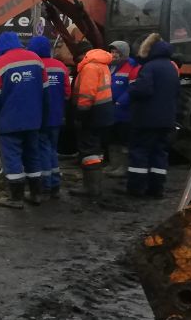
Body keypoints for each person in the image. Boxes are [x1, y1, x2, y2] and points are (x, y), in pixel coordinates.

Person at [0, 31, 45, 209]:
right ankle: (36, 194)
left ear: (0, 47)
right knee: (33, 156)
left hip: (9, 123)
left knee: (12, 159)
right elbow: (45, 91)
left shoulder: (0, 64)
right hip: (34, 121)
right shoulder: (36, 60)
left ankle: (16, 198)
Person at [127, 33, 181, 198]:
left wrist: (132, 88)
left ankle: (136, 188)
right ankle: (156, 188)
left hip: (146, 119)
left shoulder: (150, 67)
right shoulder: (172, 67)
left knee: (140, 152)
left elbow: (143, 90)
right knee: (159, 153)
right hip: (166, 120)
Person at [28, 35, 70, 199]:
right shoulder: (61, 66)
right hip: (57, 116)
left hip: (40, 117)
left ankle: (46, 184)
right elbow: (67, 93)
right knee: (52, 149)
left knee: (42, 150)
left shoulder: (35, 66)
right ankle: (55, 182)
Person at [72, 44, 115, 201]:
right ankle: (93, 186)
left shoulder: (90, 67)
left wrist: (80, 114)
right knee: (95, 150)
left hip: (92, 113)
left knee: (89, 151)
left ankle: (91, 188)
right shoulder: (102, 65)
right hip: (103, 112)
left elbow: (87, 94)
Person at [107, 40, 138, 176]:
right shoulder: (109, 66)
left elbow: (133, 88)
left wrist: (121, 101)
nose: (114, 55)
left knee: (123, 139)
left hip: (125, 111)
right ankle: (113, 165)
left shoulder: (131, 66)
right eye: (112, 52)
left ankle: (123, 167)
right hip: (111, 109)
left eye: (117, 52)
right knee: (112, 138)